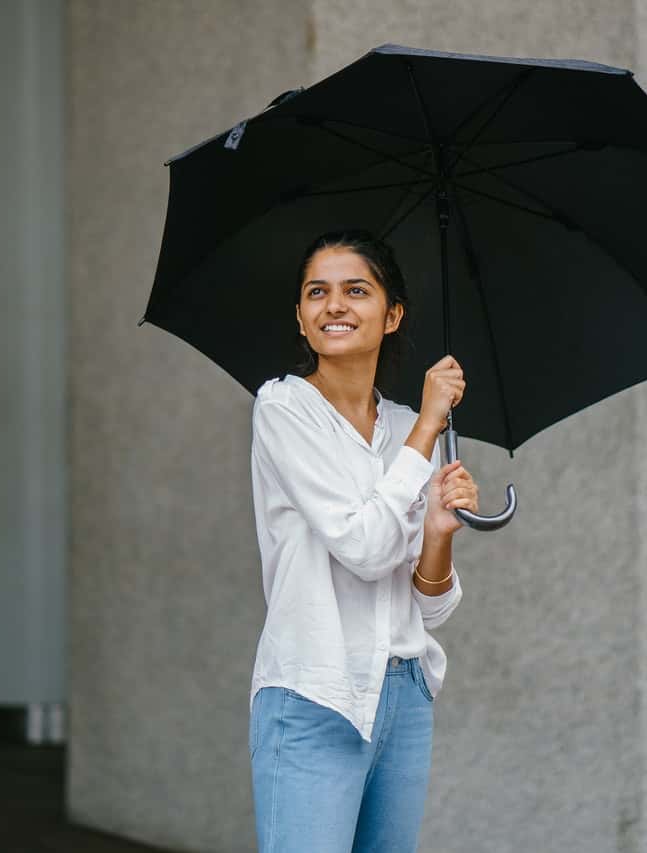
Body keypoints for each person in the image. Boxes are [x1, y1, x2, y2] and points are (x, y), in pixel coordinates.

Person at [247, 228, 479, 852]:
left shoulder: (404, 427)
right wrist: (431, 425)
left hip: (403, 692)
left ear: (392, 314)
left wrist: (437, 532)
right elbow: (366, 547)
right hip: (315, 690)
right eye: (316, 292)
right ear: (300, 318)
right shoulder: (284, 409)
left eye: (357, 290)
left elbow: (431, 605)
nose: (335, 306)